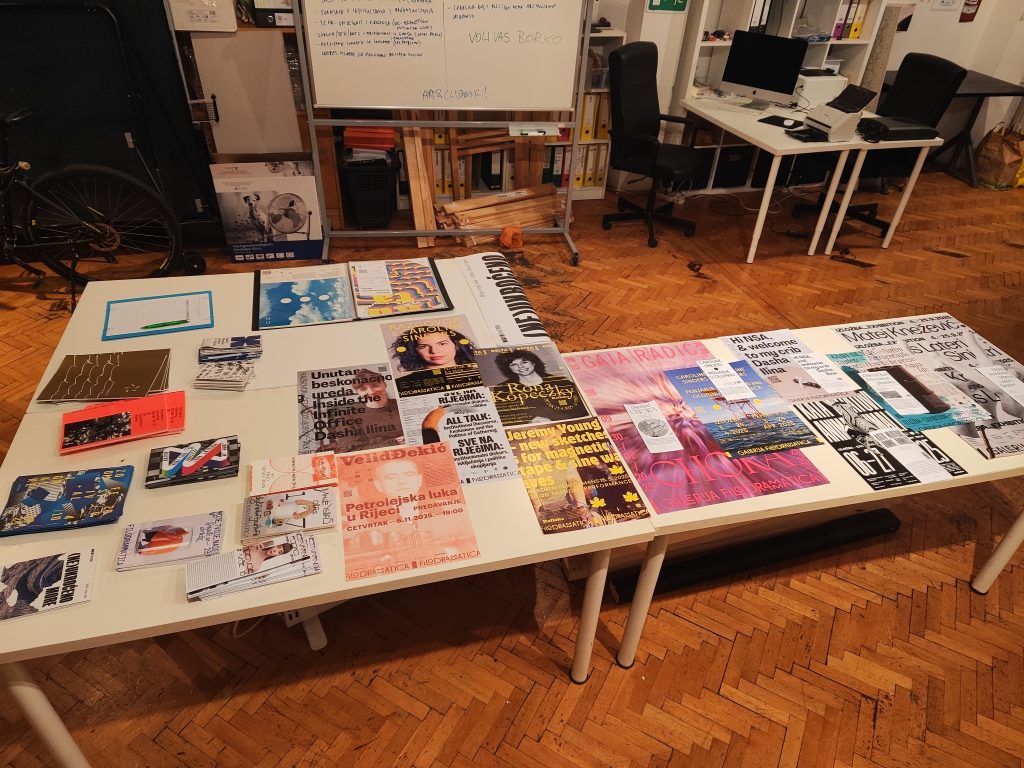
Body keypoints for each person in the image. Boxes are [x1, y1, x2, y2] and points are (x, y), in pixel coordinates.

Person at [390, 325, 476, 373]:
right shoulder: (406, 382)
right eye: (424, 346)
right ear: (414, 351)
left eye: (442, 344)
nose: (434, 351)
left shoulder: (477, 373)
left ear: (456, 345)